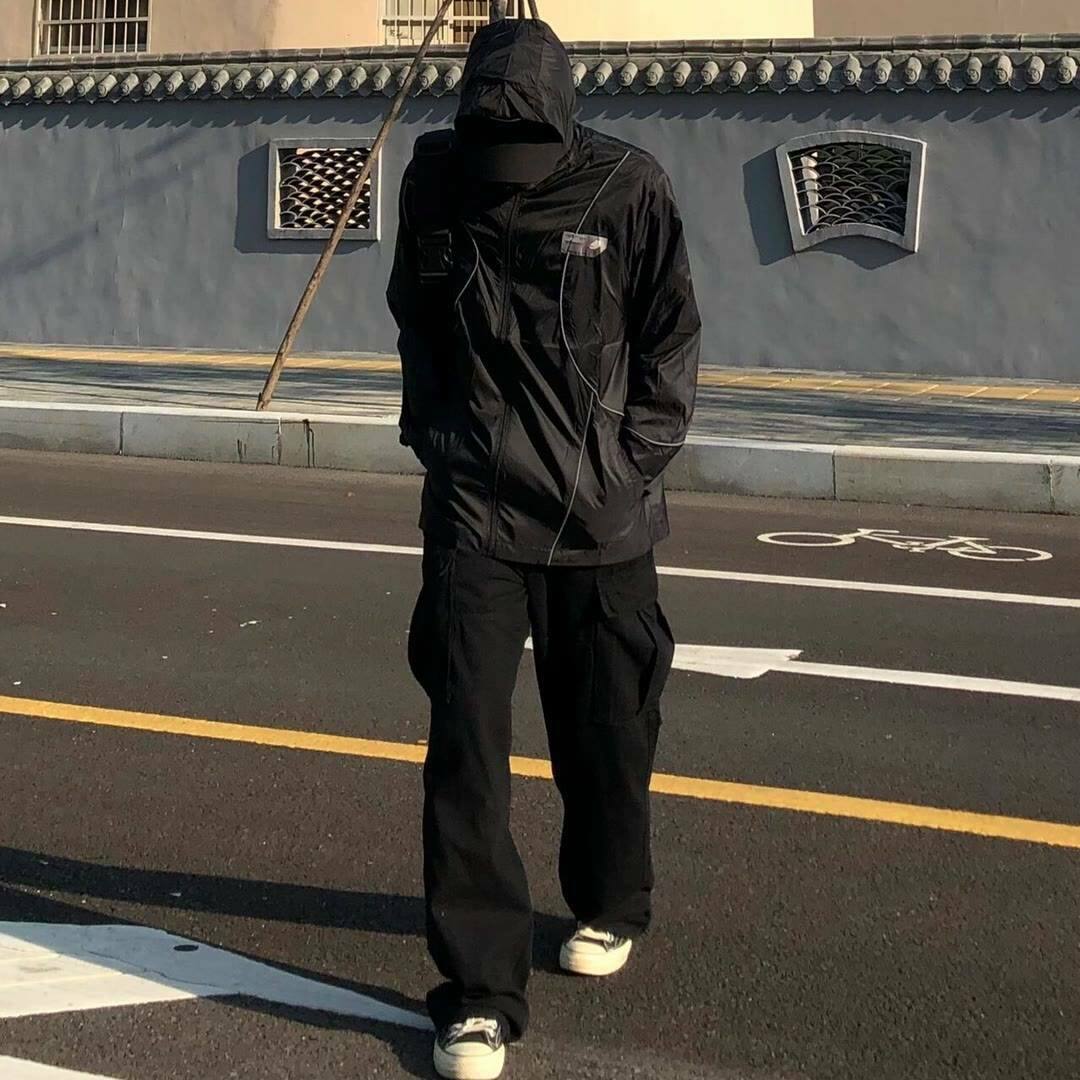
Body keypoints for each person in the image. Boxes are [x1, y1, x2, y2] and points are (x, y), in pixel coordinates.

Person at [387, 17, 701, 1080]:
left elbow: (671, 336)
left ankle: (612, 900)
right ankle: (479, 993)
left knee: (608, 725)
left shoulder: (626, 186)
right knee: (466, 746)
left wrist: (627, 463)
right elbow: (414, 318)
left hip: (600, 518)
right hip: (473, 512)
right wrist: (434, 435)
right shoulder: (435, 180)